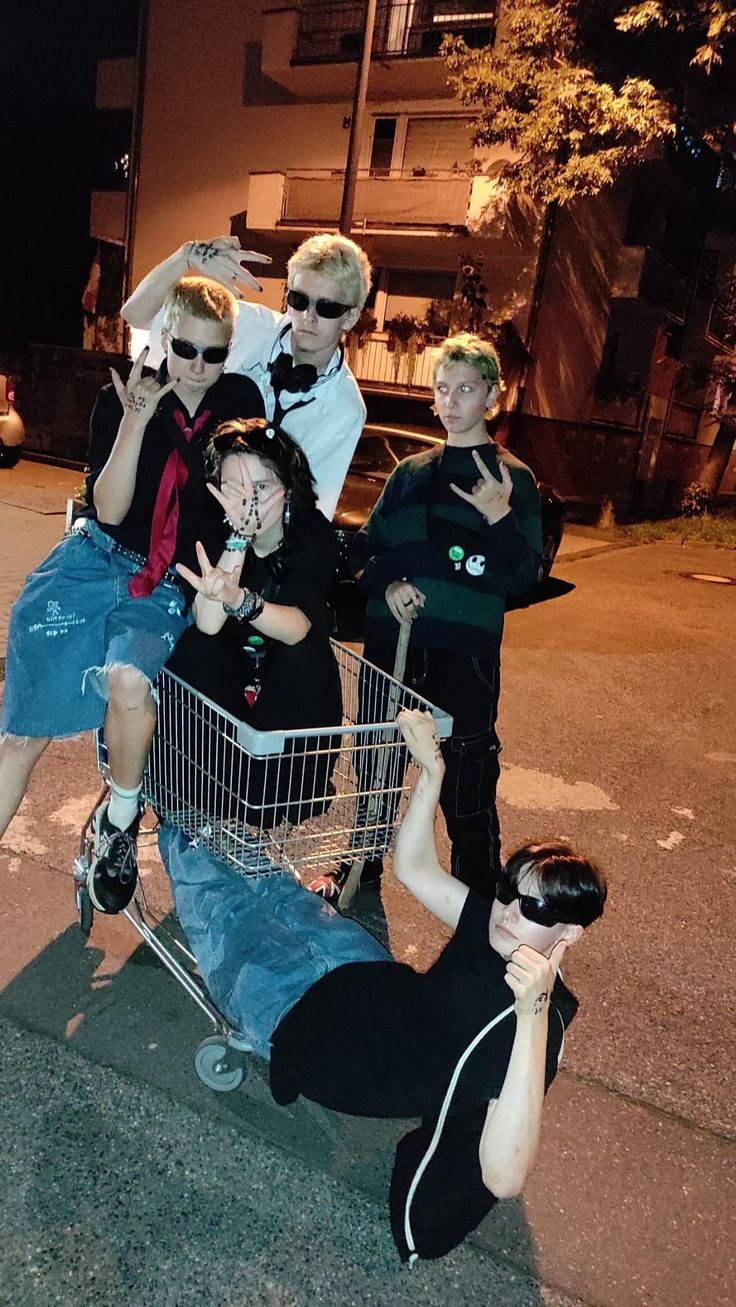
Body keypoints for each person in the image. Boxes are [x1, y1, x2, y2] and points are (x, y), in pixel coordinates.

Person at [159, 708, 606, 1262]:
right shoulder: (500, 926)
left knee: (206, 878)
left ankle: (150, 798)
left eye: (533, 906)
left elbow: (504, 1174)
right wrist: (430, 774)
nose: (510, 911)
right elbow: (415, 869)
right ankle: (177, 781)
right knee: (253, 863)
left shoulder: (534, 1026)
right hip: (355, 968)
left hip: (305, 1029)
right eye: (509, 890)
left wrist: (533, 1011)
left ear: (571, 933)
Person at [0, 276, 264, 912]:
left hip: (167, 581)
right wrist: (138, 420)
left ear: (230, 351)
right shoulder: (123, 395)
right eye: (185, 349)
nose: (197, 367)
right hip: (93, 561)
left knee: (128, 680)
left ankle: (120, 821)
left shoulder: (240, 401)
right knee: (18, 735)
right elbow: (111, 508)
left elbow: (253, 491)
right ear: (164, 339)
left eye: (214, 353)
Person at [317, 332, 544, 900]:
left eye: (466, 389)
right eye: (443, 389)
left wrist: (499, 520)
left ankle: (485, 898)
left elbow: (523, 578)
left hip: (462, 655)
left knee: (467, 774)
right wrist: (386, 584)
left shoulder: (513, 479)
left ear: (493, 394)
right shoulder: (411, 473)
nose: (451, 401)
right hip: (394, 644)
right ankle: (362, 864)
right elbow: (367, 548)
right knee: (378, 759)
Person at [122, 233, 373, 519]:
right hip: (181, 506)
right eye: (299, 300)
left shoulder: (344, 409)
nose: (308, 316)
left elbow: (309, 510)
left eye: (327, 308)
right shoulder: (251, 327)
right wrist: (186, 257)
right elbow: (136, 315)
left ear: (350, 317)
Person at [166, 416, 342, 824]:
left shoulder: (311, 533)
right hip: (231, 694)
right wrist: (237, 541)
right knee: (194, 648)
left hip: (288, 695)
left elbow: (299, 626)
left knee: (304, 654)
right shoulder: (211, 530)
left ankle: (281, 796)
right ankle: (211, 796)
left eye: (260, 489)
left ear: (286, 487)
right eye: (233, 489)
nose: (247, 502)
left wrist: (240, 600)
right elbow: (208, 625)